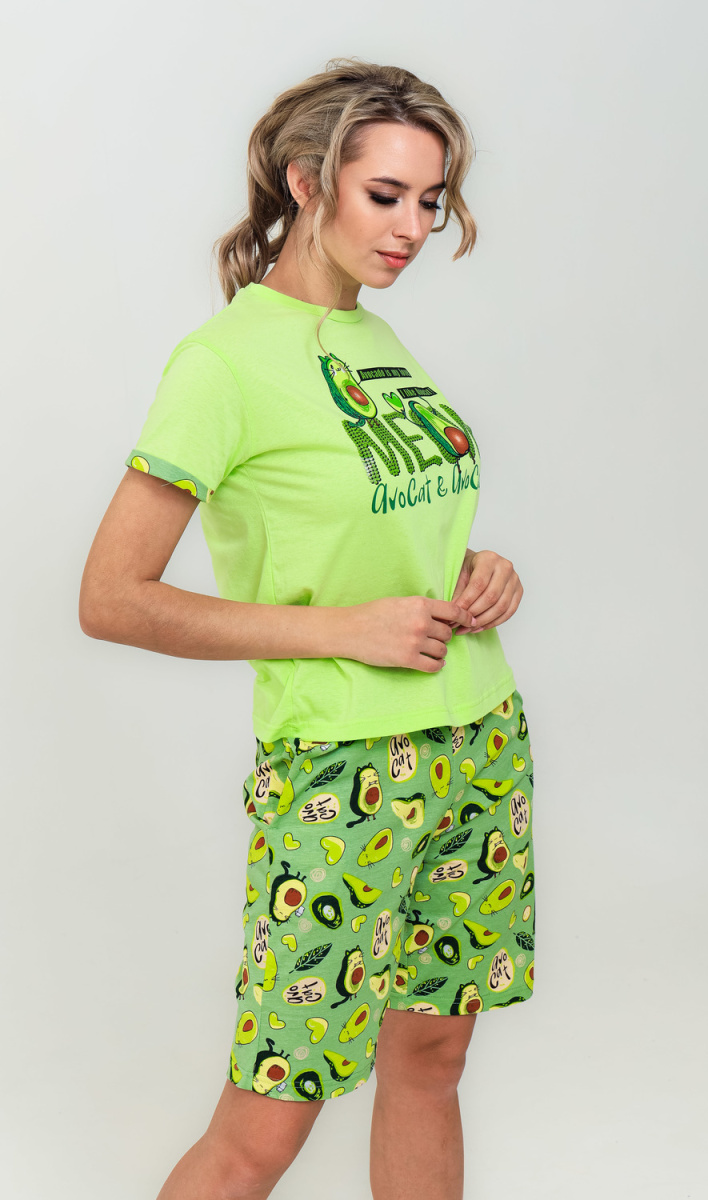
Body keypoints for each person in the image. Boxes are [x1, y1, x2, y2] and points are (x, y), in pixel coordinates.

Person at [80, 57, 535, 1200]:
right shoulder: (222, 365)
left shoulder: (377, 342)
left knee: (430, 1063)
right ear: (305, 180)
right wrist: (346, 631)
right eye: (385, 195)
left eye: (430, 200)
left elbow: (382, 533)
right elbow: (112, 597)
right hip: (343, 771)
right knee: (268, 1120)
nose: (413, 228)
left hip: (477, 742)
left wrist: (476, 571)